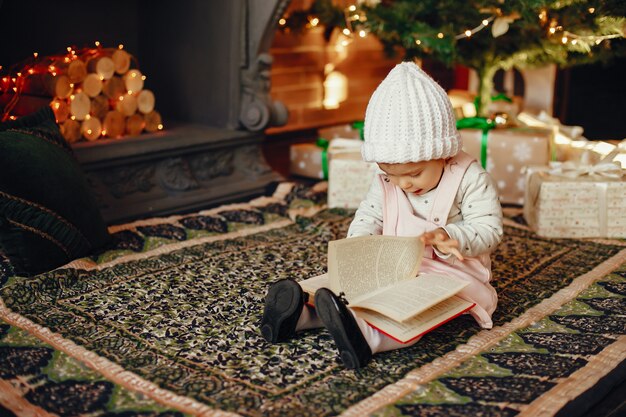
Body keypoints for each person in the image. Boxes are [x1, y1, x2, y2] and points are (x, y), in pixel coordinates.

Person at [260, 61, 503, 369]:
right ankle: (301, 315)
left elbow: (489, 229)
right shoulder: (387, 177)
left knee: (408, 310)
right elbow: (369, 213)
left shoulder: (471, 178)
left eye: (413, 174)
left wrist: (452, 236)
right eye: (391, 173)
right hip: (395, 265)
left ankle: (366, 337)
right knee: (351, 288)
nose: (401, 184)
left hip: (451, 274)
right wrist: (359, 245)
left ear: (444, 153)